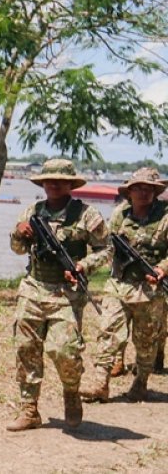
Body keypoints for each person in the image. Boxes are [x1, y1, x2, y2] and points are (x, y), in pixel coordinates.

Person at [6, 159, 109, 431]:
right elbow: (17, 249)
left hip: (67, 293)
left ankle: (71, 393)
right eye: (49, 180)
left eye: (60, 180)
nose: (53, 184)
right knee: (26, 349)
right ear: (42, 183)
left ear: (71, 184)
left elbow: (107, 250)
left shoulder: (87, 214)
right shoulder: (32, 211)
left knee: (64, 349)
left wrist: (83, 265)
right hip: (33, 287)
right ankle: (29, 409)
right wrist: (18, 233)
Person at [80, 167, 168, 402]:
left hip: (149, 289)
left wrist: (162, 269)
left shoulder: (165, 216)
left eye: (147, 188)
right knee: (108, 331)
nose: (142, 192)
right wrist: (86, 265)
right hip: (118, 284)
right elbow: (108, 247)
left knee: (145, 340)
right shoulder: (120, 214)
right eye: (137, 188)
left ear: (155, 192)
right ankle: (100, 382)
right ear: (129, 191)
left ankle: (140, 383)